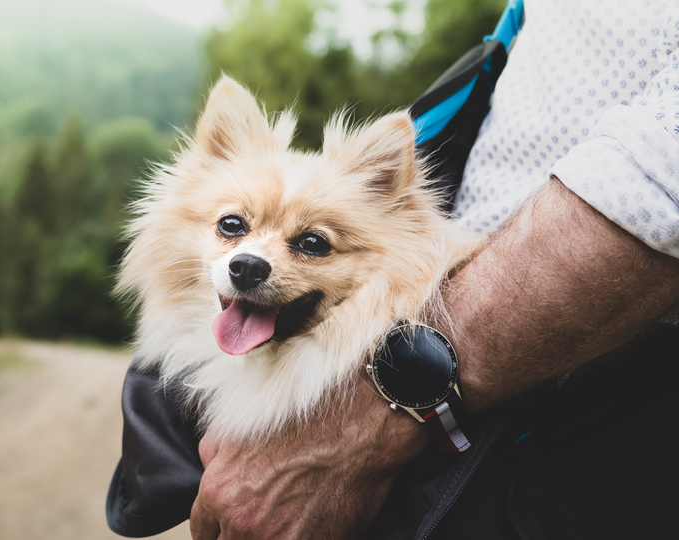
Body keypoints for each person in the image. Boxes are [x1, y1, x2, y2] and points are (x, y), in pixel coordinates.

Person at [189, 1, 679, 538]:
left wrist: (375, 413)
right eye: (234, 226)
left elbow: (660, 170)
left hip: (579, 396)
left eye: (311, 243)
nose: (251, 257)